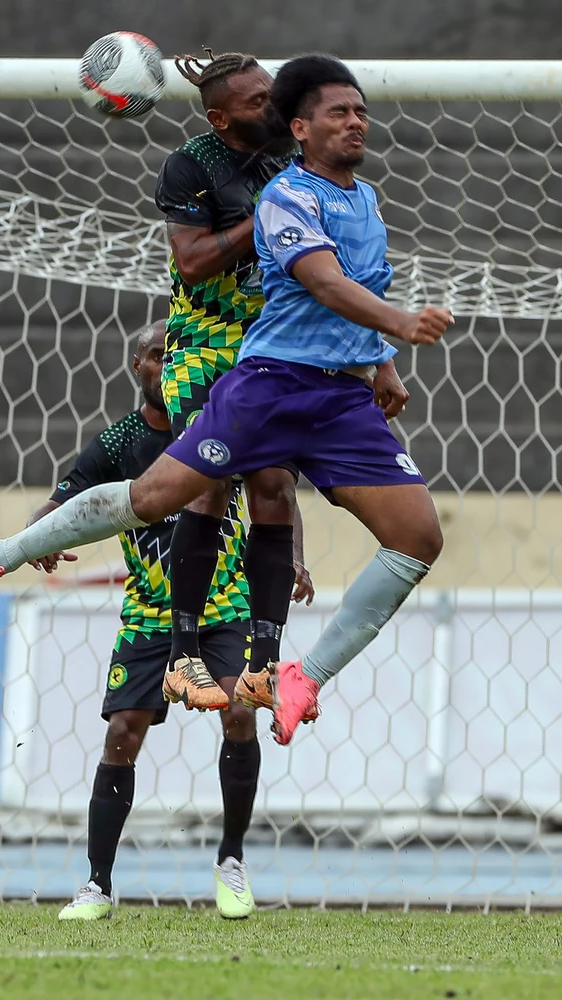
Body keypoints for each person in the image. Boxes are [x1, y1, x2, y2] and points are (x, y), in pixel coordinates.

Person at [0, 55, 452, 748]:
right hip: (271, 384)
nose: (356, 122)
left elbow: (357, 278)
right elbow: (322, 281)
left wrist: (381, 363)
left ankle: (299, 675)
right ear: (301, 127)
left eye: (360, 112)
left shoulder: (367, 200)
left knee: (418, 538)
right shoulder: (286, 195)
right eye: (338, 113)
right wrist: (399, 322)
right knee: (156, 497)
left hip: (339, 399)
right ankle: (6, 551)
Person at [38, 321, 290, 921]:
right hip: (150, 612)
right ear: (137, 365)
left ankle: (231, 860)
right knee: (123, 731)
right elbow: (61, 499)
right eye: (157, 355)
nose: (168, 365)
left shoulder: (221, 428)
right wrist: (36, 537)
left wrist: (295, 558)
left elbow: (278, 497)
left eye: (177, 353)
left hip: (225, 603)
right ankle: (97, 885)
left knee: (238, 711)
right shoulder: (119, 443)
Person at [154, 50, 345, 718]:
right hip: (205, 348)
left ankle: (264, 666)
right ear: (220, 116)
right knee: (207, 484)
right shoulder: (192, 164)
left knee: (273, 487)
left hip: (270, 351)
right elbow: (196, 261)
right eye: (257, 101)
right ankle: (183, 655)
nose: (273, 107)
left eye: (274, 94)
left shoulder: (289, 164)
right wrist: (266, 215)